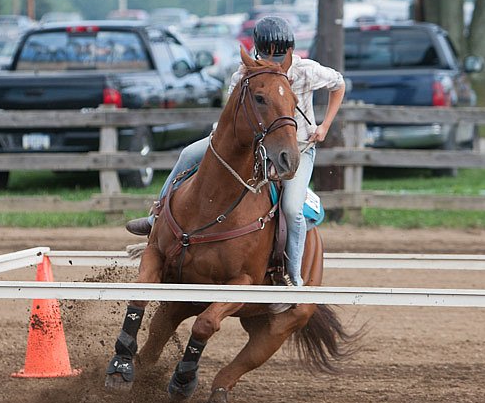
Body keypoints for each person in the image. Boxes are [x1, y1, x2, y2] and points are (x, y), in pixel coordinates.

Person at [126, 16, 345, 297]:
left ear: (290, 51)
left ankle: (293, 275)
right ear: (257, 51)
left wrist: (324, 126)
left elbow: (338, 84)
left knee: (291, 207)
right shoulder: (244, 74)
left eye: (278, 56)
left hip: (297, 148)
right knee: (187, 154)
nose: (272, 61)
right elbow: (233, 116)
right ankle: (156, 217)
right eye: (266, 55)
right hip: (252, 144)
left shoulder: (307, 71)